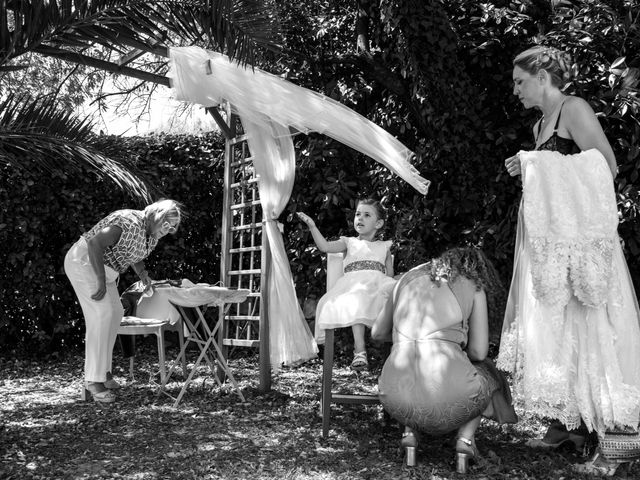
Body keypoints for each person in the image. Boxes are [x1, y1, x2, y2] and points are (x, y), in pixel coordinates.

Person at [499, 45, 640, 475]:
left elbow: (606, 166)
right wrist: (534, 167)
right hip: (558, 250)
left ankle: (617, 435)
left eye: (520, 81)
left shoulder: (574, 109)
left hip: (585, 251)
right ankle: (571, 423)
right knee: (564, 331)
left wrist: (538, 165)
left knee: (595, 330)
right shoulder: (542, 123)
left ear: (543, 76)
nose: (516, 90)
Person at [372, 247, 517, 472]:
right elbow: (479, 352)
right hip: (448, 393)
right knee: (488, 372)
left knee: (412, 365)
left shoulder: (405, 280)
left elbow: (378, 334)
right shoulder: (474, 286)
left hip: (393, 396)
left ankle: (409, 434)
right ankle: (465, 441)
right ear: (479, 272)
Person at [64, 199, 182, 403]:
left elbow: (134, 252)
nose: (168, 230)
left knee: (116, 313)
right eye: (166, 224)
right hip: (84, 263)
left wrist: (142, 273)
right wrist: (100, 280)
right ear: (156, 216)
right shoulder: (126, 222)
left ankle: (104, 372)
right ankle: (93, 380)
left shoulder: (150, 234)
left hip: (106, 271)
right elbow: (94, 243)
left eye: (172, 227)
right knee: (101, 315)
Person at [297, 198, 396, 371]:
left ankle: (403, 350)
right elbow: (325, 247)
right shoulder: (349, 242)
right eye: (358, 214)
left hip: (377, 286)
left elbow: (390, 275)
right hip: (353, 287)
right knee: (357, 297)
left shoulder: (384, 247)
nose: (360, 218)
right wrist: (312, 226)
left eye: (367, 215)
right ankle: (360, 351)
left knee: (397, 292)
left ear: (378, 223)